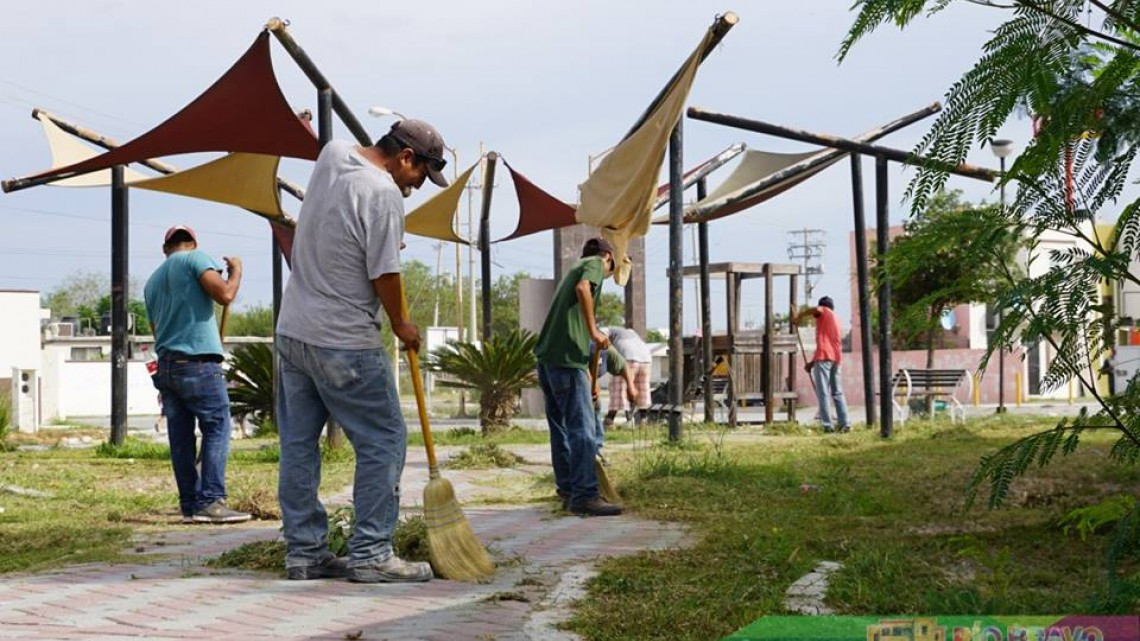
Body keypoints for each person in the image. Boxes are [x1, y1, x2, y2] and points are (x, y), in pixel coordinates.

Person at [275, 119, 449, 582]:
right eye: (421, 175)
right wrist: (402, 324)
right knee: (384, 441)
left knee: (298, 446)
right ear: (405, 157)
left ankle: (305, 554)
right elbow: (385, 274)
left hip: (293, 332)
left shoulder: (332, 155)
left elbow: (340, 225)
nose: (416, 187)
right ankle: (370, 553)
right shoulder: (385, 193)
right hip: (344, 340)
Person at [144, 225, 250, 524]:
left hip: (166, 363)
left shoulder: (152, 282)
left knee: (180, 437)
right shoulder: (196, 259)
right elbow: (225, 295)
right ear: (193, 243)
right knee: (217, 425)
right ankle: (212, 500)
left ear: (165, 249)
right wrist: (236, 272)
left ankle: (190, 504)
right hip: (197, 362)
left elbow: (156, 330)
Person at [535, 237, 624, 517]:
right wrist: (596, 329)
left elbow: (573, 331)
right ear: (608, 257)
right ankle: (585, 495)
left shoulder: (576, 266)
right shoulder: (594, 264)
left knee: (560, 428)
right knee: (582, 430)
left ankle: (568, 490)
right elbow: (584, 288)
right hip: (565, 362)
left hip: (550, 359)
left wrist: (589, 378)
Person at [795, 296, 851, 433]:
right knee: (837, 392)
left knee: (823, 392)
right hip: (836, 359)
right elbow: (828, 346)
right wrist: (812, 363)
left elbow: (816, 309)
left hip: (825, 357)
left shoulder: (824, 311)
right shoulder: (836, 319)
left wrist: (799, 316)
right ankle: (845, 423)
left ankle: (827, 425)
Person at [602, 326, 652, 428]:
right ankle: (643, 419)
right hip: (646, 359)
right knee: (641, 391)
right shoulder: (631, 333)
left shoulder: (607, 330)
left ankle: (611, 420)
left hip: (628, 357)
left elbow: (601, 338)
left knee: (619, 389)